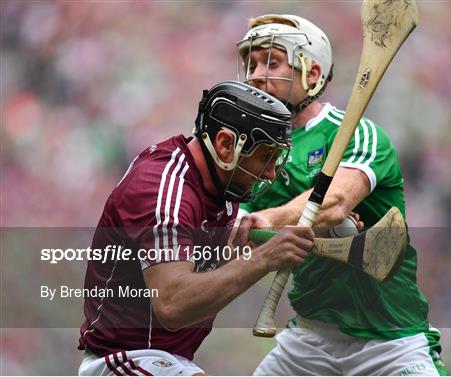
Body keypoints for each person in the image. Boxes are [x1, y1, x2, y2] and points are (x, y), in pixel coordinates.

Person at [235, 14, 448, 375]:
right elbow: (240, 231)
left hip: (390, 343)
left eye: (271, 62)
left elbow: (333, 202)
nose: (255, 74)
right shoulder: (255, 156)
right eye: (251, 64)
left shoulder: (360, 134)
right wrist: (254, 228)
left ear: (312, 74)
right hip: (309, 339)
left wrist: (268, 220)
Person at [77, 80, 315, 376]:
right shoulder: (164, 188)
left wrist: (250, 250)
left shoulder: (219, 185)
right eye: (265, 157)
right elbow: (173, 304)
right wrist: (264, 259)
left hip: (170, 360)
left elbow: (202, 268)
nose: (269, 172)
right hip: (123, 358)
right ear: (226, 144)